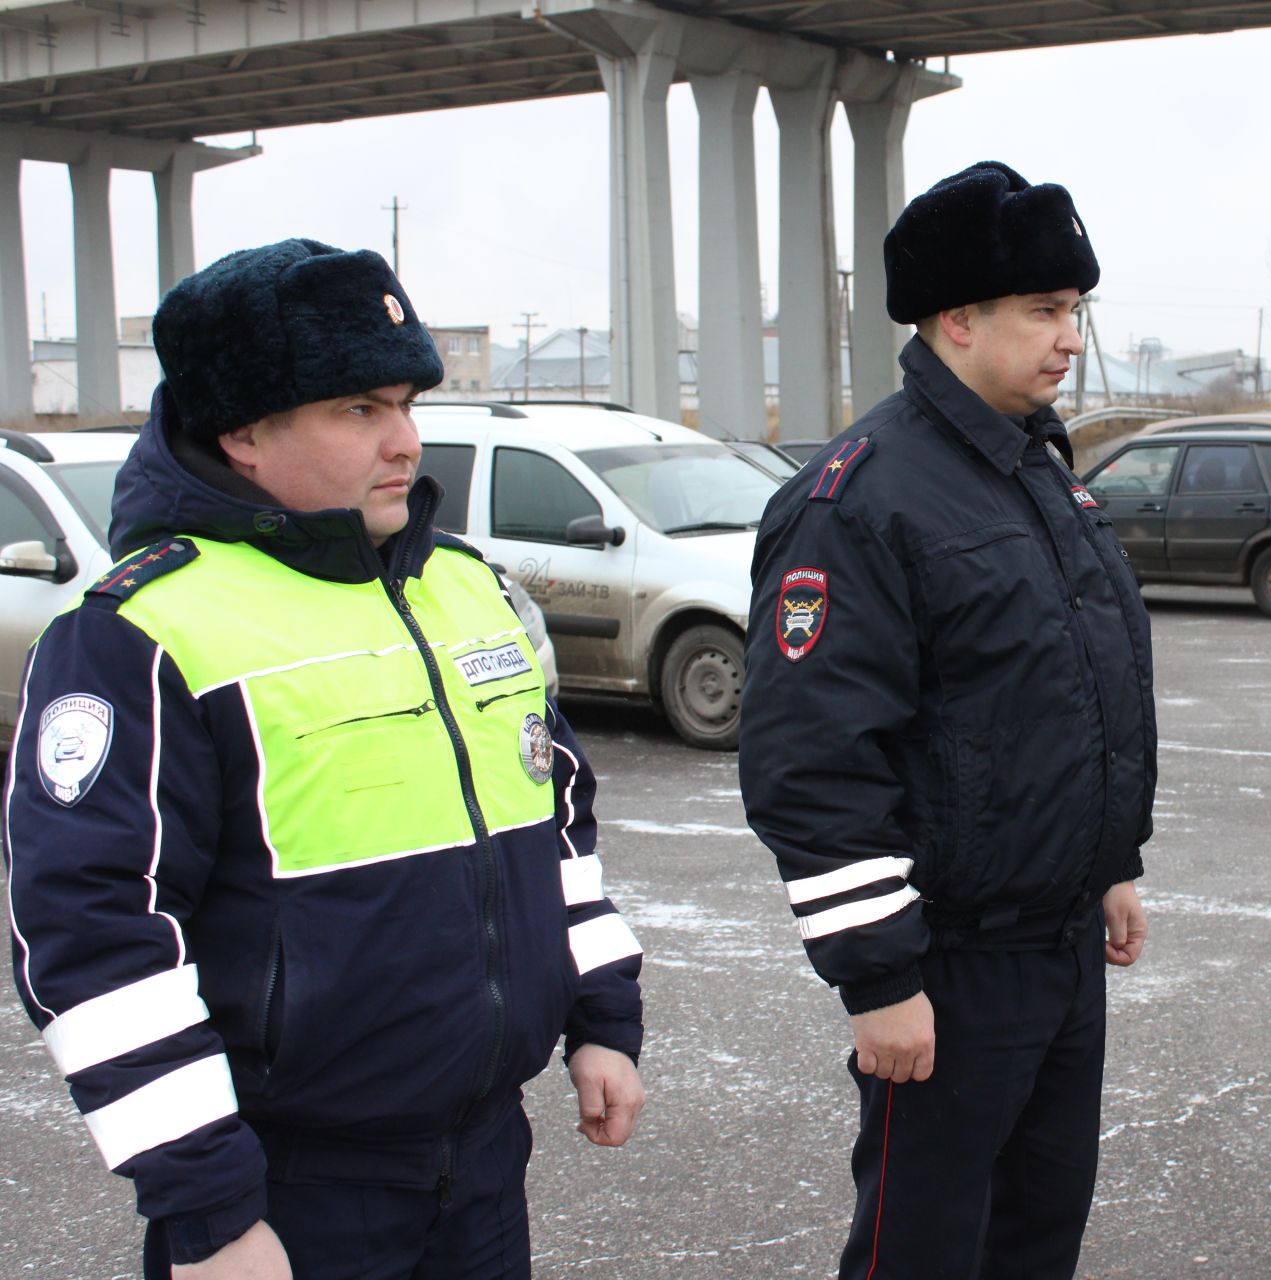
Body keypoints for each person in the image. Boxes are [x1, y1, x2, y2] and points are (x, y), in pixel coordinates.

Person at [4, 239, 647, 1280]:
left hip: (483, 1163)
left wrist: (601, 1014)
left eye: (405, 403)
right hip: (287, 1185)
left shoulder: (465, 589)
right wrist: (208, 1207)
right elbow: (95, 935)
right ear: (244, 430)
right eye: (359, 409)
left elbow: (557, 824)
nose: (404, 441)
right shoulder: (141, 630)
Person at [737, 161, 1155, 1280]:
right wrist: (878, 975)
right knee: (920, 1249)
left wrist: (1109, 864)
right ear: (957, 318)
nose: (1071, 338)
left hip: (1058, 946)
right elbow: (811, 758)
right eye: (1045, 311)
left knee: (1035, 1234)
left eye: (1075, 310)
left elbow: (1065, 696)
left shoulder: (1036, 473)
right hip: (950, 961)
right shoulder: (862, 497)